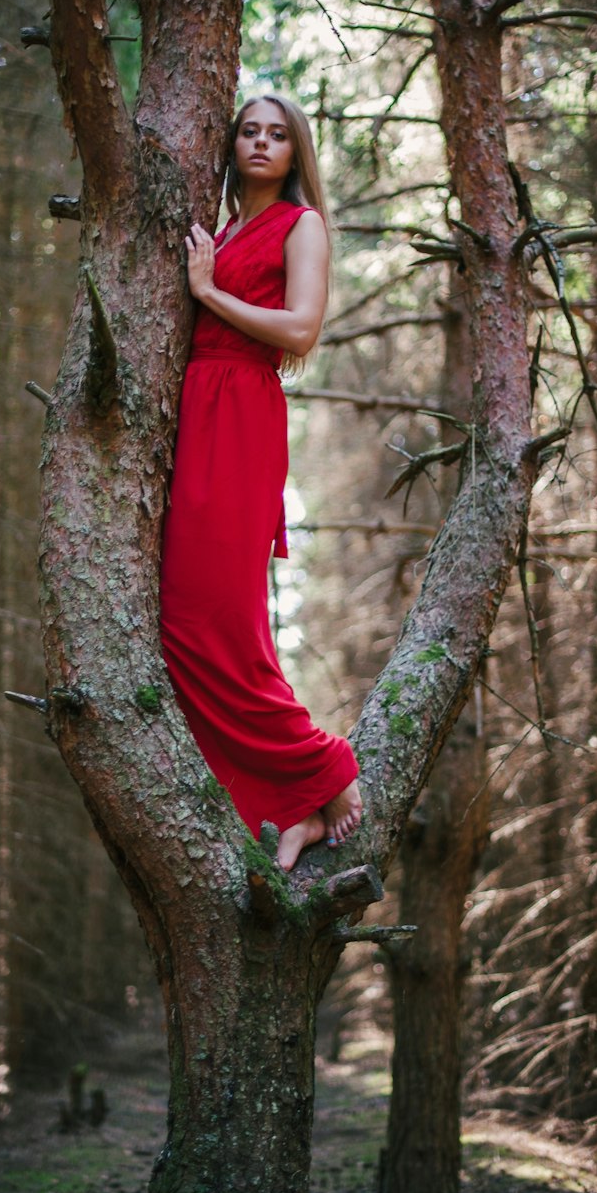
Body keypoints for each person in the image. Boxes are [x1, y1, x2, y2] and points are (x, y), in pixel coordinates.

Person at [159, 94, 364, 870]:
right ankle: (292, 807)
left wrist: (209, 292)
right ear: (231, 141)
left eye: (279, 135)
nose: (262, 142)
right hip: (197, 411)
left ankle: (325, 768)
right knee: (189, 624)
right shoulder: (222, 226)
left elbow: (302, 328)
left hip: (243, 411)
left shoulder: (299, 225)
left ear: (294, 152)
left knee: (209, 616)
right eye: (250, 130)